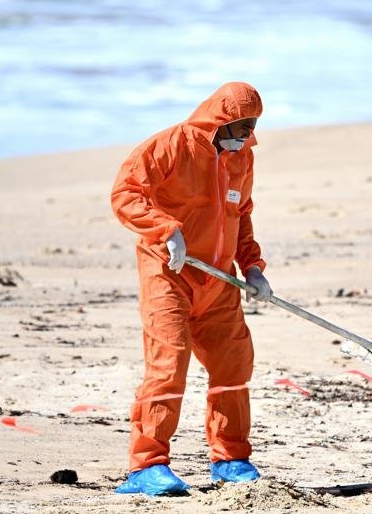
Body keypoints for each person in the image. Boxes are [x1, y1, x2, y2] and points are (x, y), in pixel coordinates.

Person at [110, 81, 274, 496]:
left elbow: (241, 214)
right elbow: (126, 194)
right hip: (169, 272)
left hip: (218, 279)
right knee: (168, 366)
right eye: (242, 127)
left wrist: (252, 267)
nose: (247, 137)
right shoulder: (170, 146)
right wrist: (165, 230)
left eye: (253, 127)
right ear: (219, 120)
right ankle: (146, 466)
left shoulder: (242, 156)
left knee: (233, 366)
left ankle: (230, 459)